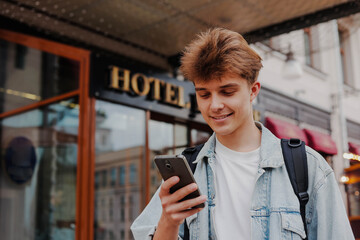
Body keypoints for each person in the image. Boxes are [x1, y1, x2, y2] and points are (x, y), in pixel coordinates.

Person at [131, 28, 355, 240]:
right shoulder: (188, 168)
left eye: (227, 92)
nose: (215, 105)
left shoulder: (307, 167)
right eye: (204, 94)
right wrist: (168, 222)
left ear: (253, 90)